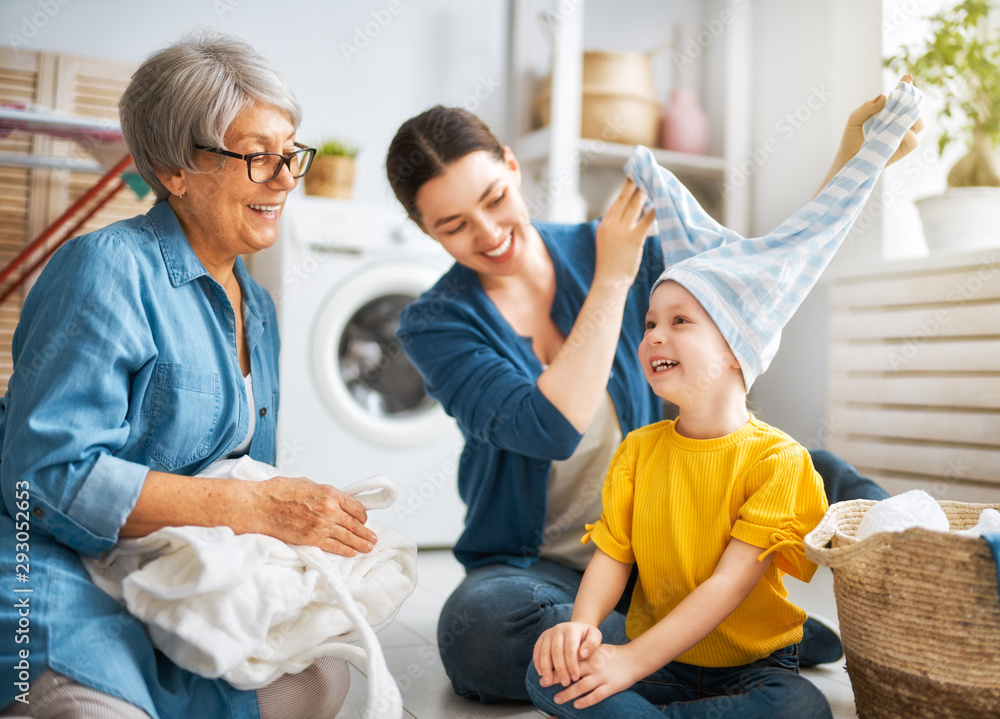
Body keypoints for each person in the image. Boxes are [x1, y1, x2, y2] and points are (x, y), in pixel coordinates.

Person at [385, 85, 922, 706]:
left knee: (814, 471)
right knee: (480, 632)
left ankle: (706, 634)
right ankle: (724, 635)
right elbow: (549, 428)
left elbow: (754, 282)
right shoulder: (436, 322)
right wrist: (612, 278)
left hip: (674, 540)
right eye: (453, 226)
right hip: (538, 564)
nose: (489, 232)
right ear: (425, 231)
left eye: (495, 199)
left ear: (511, 164)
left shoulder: (614, 239)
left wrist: (856, 162)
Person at [0, 32, 375, 719]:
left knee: (328, 671)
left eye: (289, 153)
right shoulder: (106, 269)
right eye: (258, 157)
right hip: (64, 567)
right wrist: (257, 508)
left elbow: (243, 476)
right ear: (174, 170)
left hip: (177, 573)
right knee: (96, 705)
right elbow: (44, 480)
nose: (286, 178)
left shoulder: (256, 306)